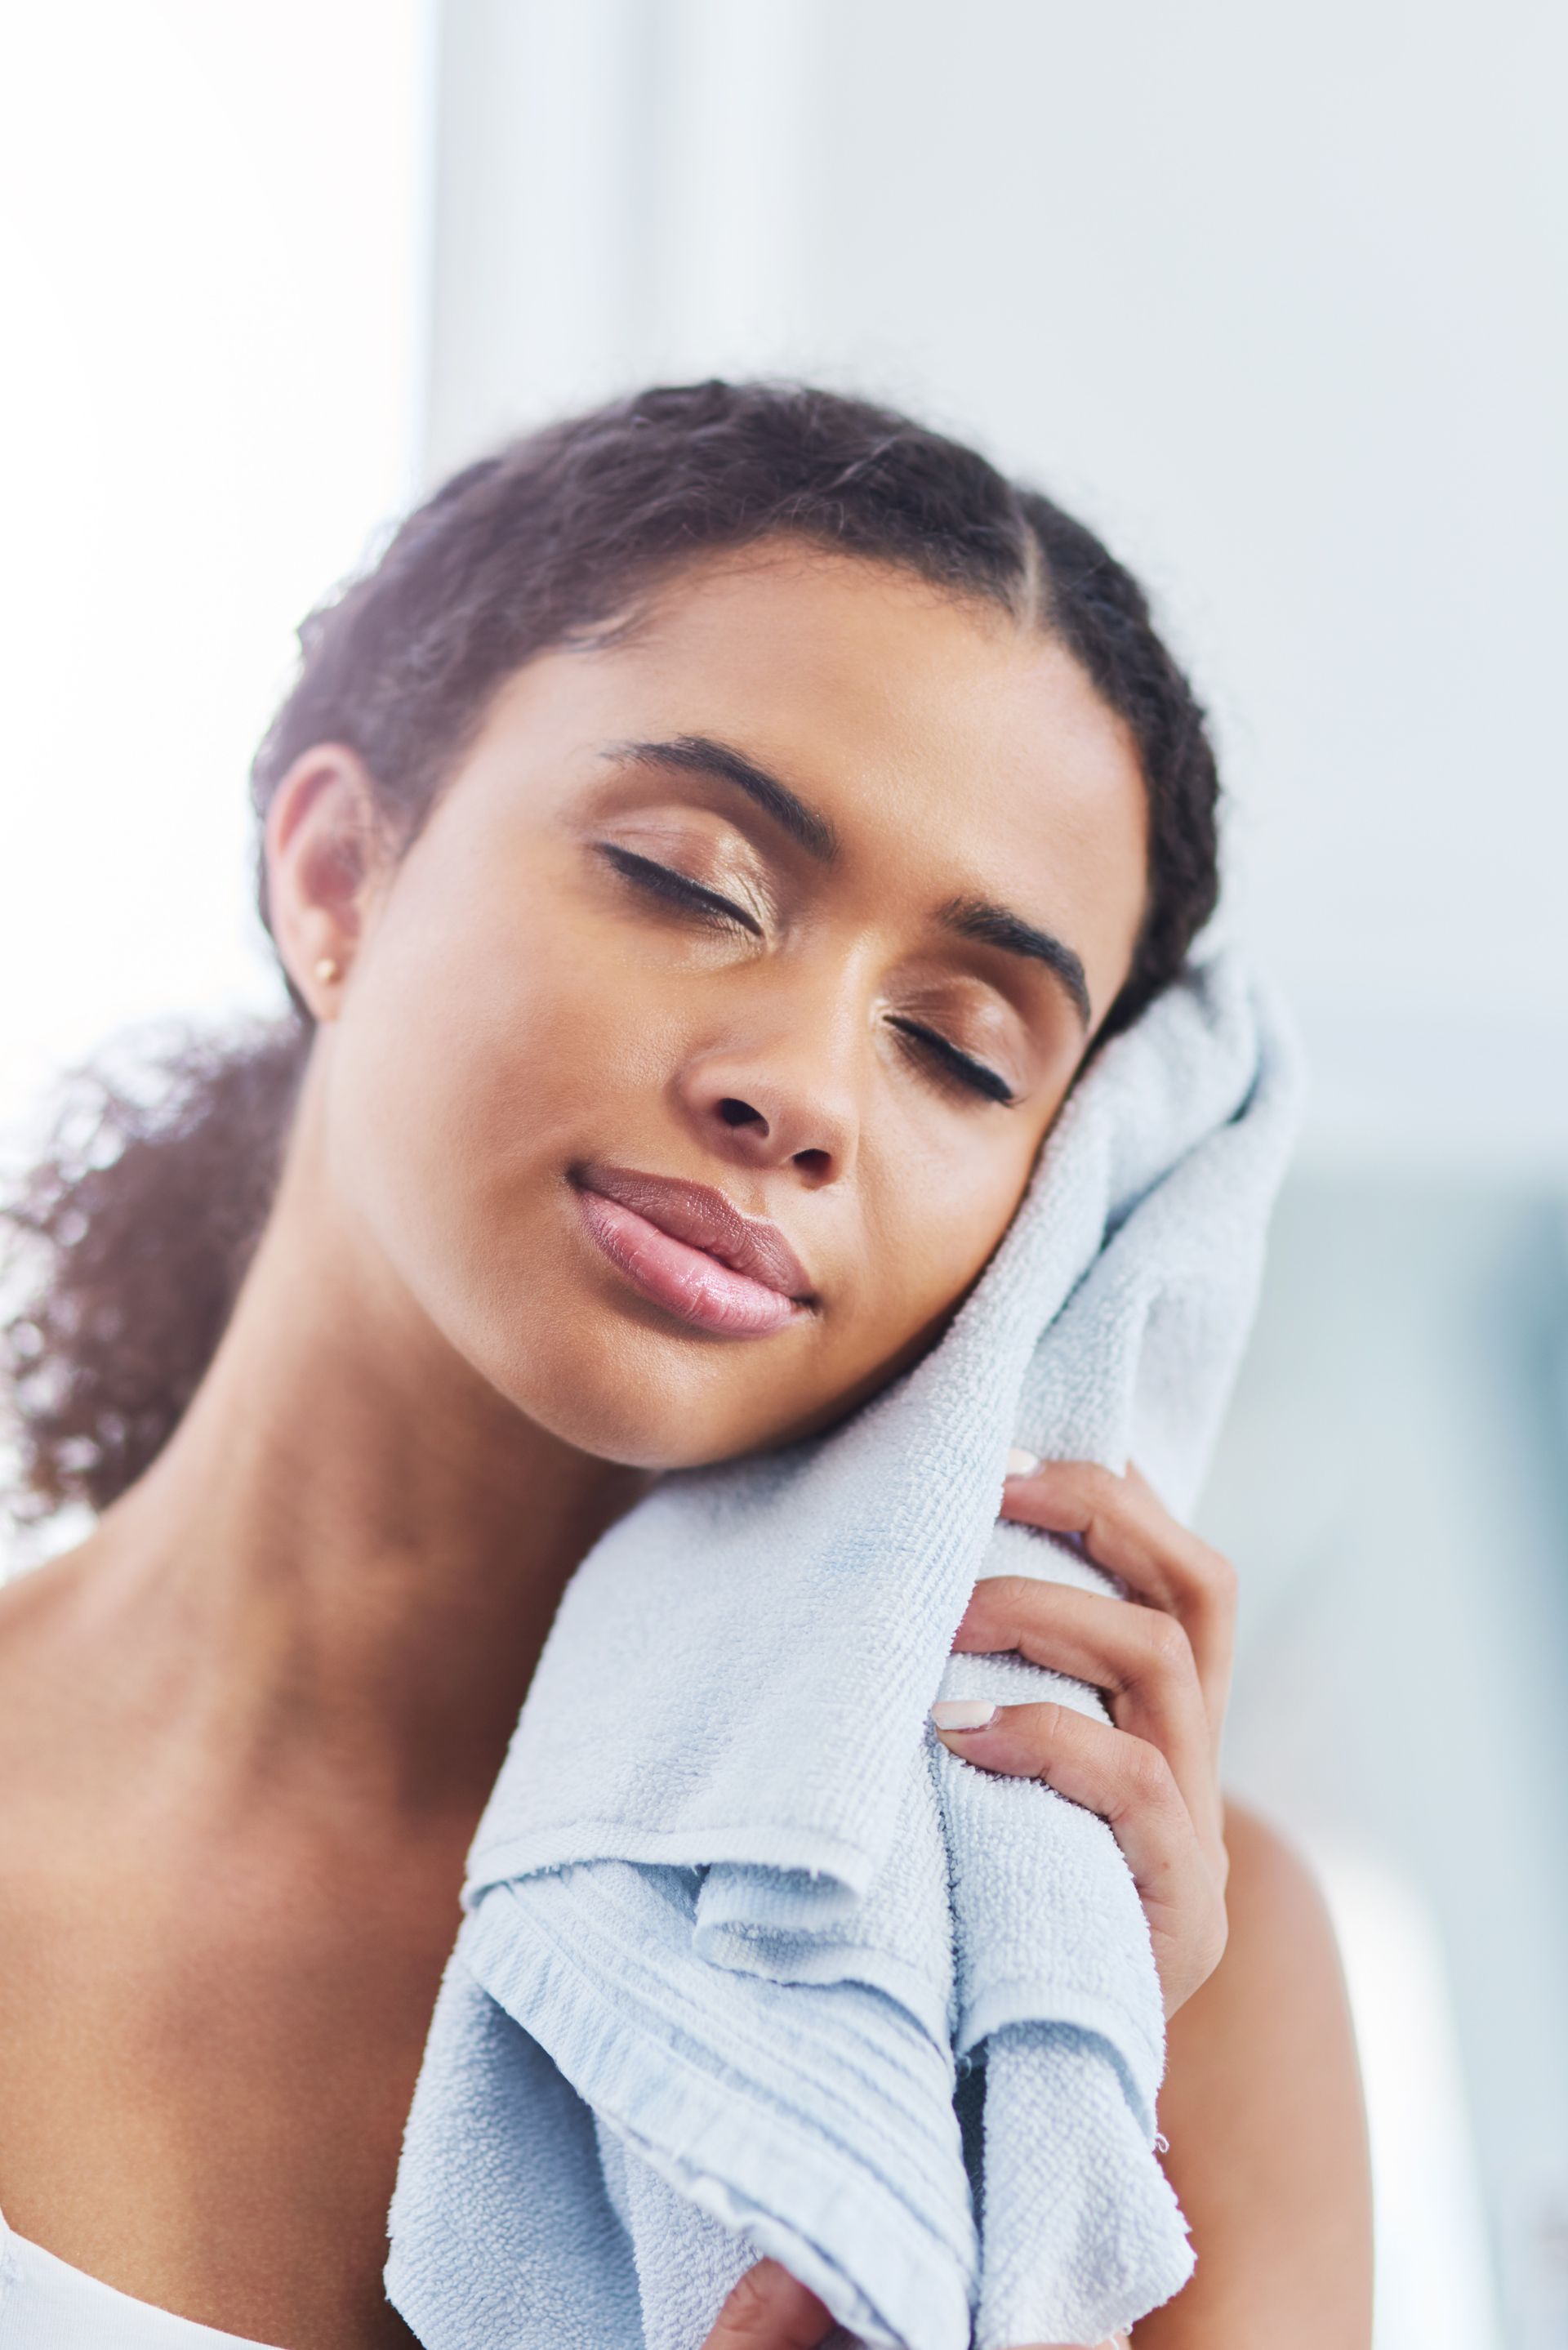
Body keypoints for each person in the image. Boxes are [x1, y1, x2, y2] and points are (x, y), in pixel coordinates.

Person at [0, 381, 1371, 2349]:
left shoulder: (1145, 1997)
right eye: (691, 882)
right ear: (337, 877)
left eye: (963, 1047)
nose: (803, 1088)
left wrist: (1017, 2206)